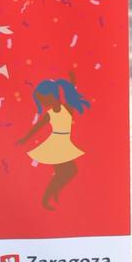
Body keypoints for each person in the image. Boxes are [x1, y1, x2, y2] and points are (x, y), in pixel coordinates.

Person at [17, 77, 91, 209]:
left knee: (67, 172)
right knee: (70, 171)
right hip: (55, 145)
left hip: (62, 144)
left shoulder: (67, 108)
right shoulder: (50, 114)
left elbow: (70, 93)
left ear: (51, 96)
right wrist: (24, 139)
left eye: (43, 99)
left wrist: (73, 81)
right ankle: (46, 199)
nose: (42, 103)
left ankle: (53, 193)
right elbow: (37, 127)